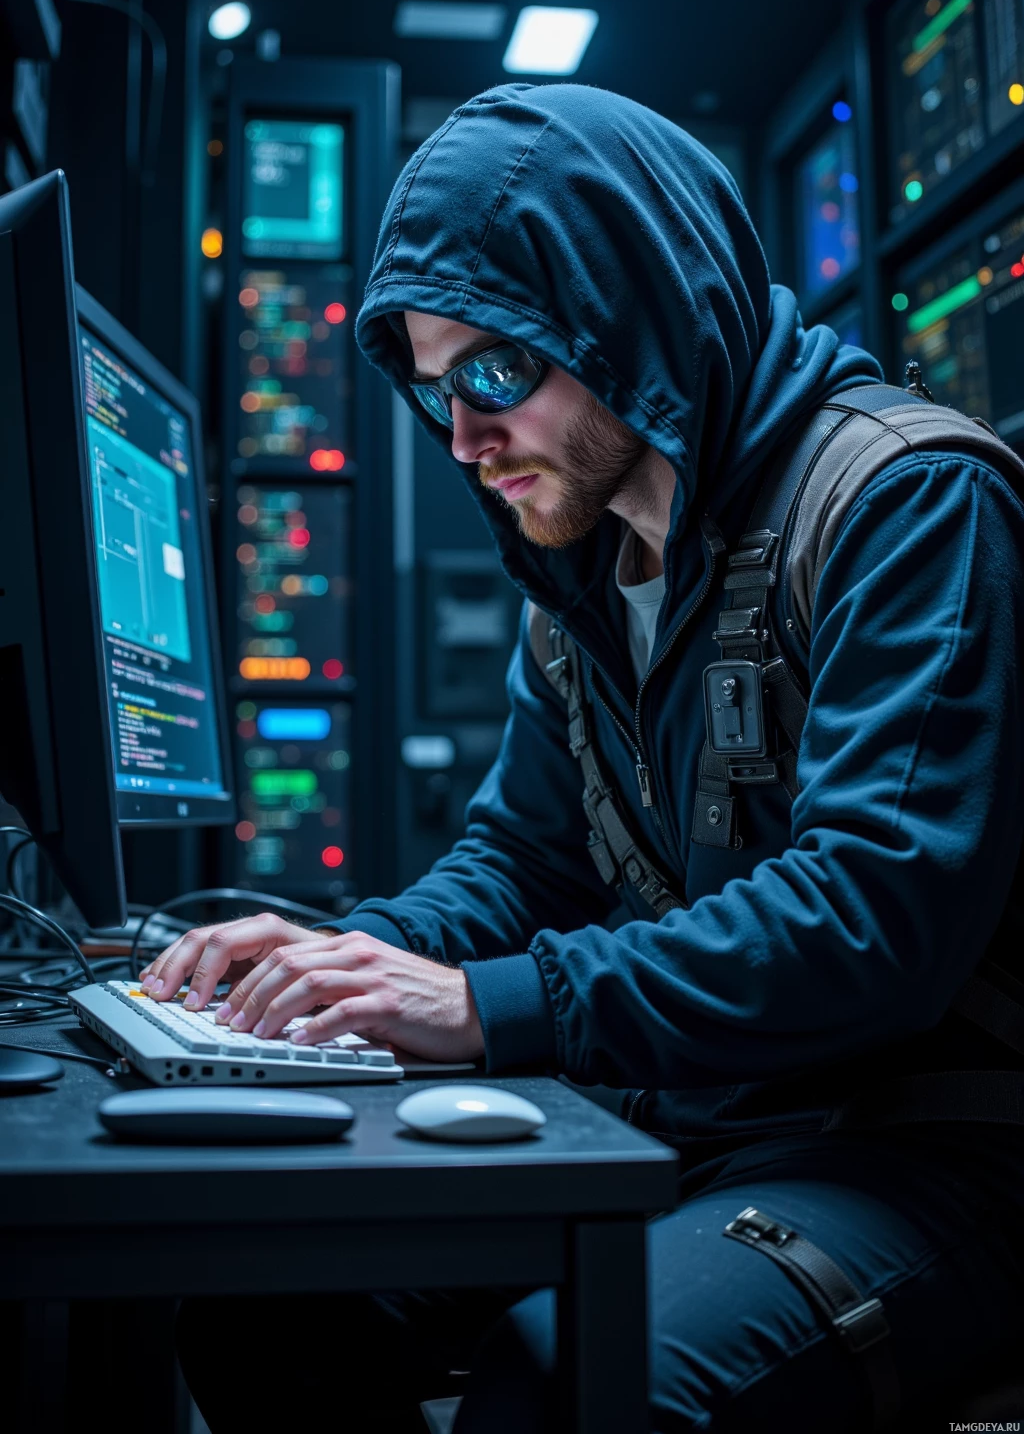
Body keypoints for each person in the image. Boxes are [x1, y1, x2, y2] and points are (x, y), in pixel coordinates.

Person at [166, 84, 1023, 1431]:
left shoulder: (908, 503)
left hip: (926, 1149)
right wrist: (336, 965)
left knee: (567, 1387)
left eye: (498, 373)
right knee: (253, 1281)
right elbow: (523, 859)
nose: (463, 437)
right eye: (437, 389)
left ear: (630, 320)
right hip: (697, 1119)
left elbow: (874, 916)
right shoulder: (583, 571)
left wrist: (492, 1007)